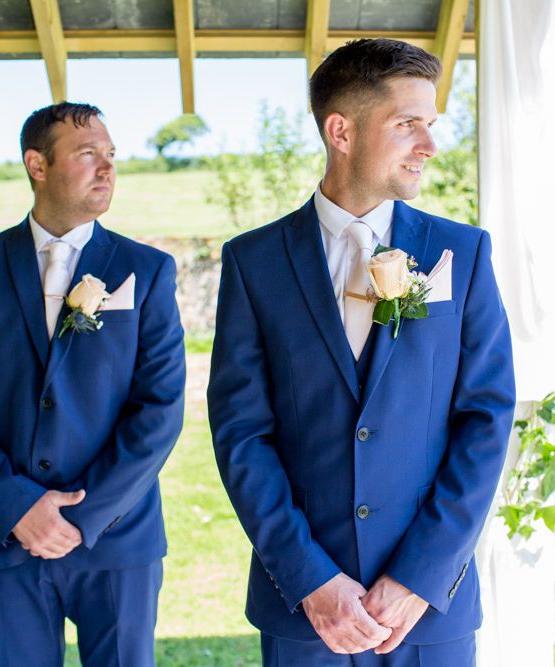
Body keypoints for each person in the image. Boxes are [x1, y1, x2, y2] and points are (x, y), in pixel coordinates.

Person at [207, 39, 515, 666]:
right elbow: (242, 435)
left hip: (429, 609)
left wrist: (418, 578)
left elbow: (485, 421)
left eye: (429, 126)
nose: (428, 146)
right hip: (304, 611)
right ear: (340, 130)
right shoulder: (253, 262)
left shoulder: (464, 253)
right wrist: (311, 581)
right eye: (408, 124)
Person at [0, 102, 185, 667]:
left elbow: (159, 409)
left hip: (116, 538)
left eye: (111, 155)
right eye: (88, 153)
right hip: (1, 534)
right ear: (36, 165)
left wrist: (81, 516)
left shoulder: (148, 269)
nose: (107, 168)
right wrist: (18, 506)